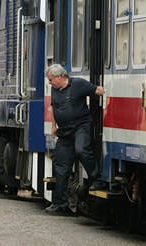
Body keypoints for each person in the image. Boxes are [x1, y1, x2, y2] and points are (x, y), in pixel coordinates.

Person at [45, 64, 106, 214]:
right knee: (61, 166)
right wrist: (53, 126)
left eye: (51, 79)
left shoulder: (78, 84)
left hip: (81, 127)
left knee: (81, 149)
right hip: (64, 132)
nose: (49, 82)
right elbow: (54, 107)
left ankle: (96, 180)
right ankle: (59, 203)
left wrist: (105, 96)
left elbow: (99, 90)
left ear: (59, 77)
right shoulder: (54, 89)